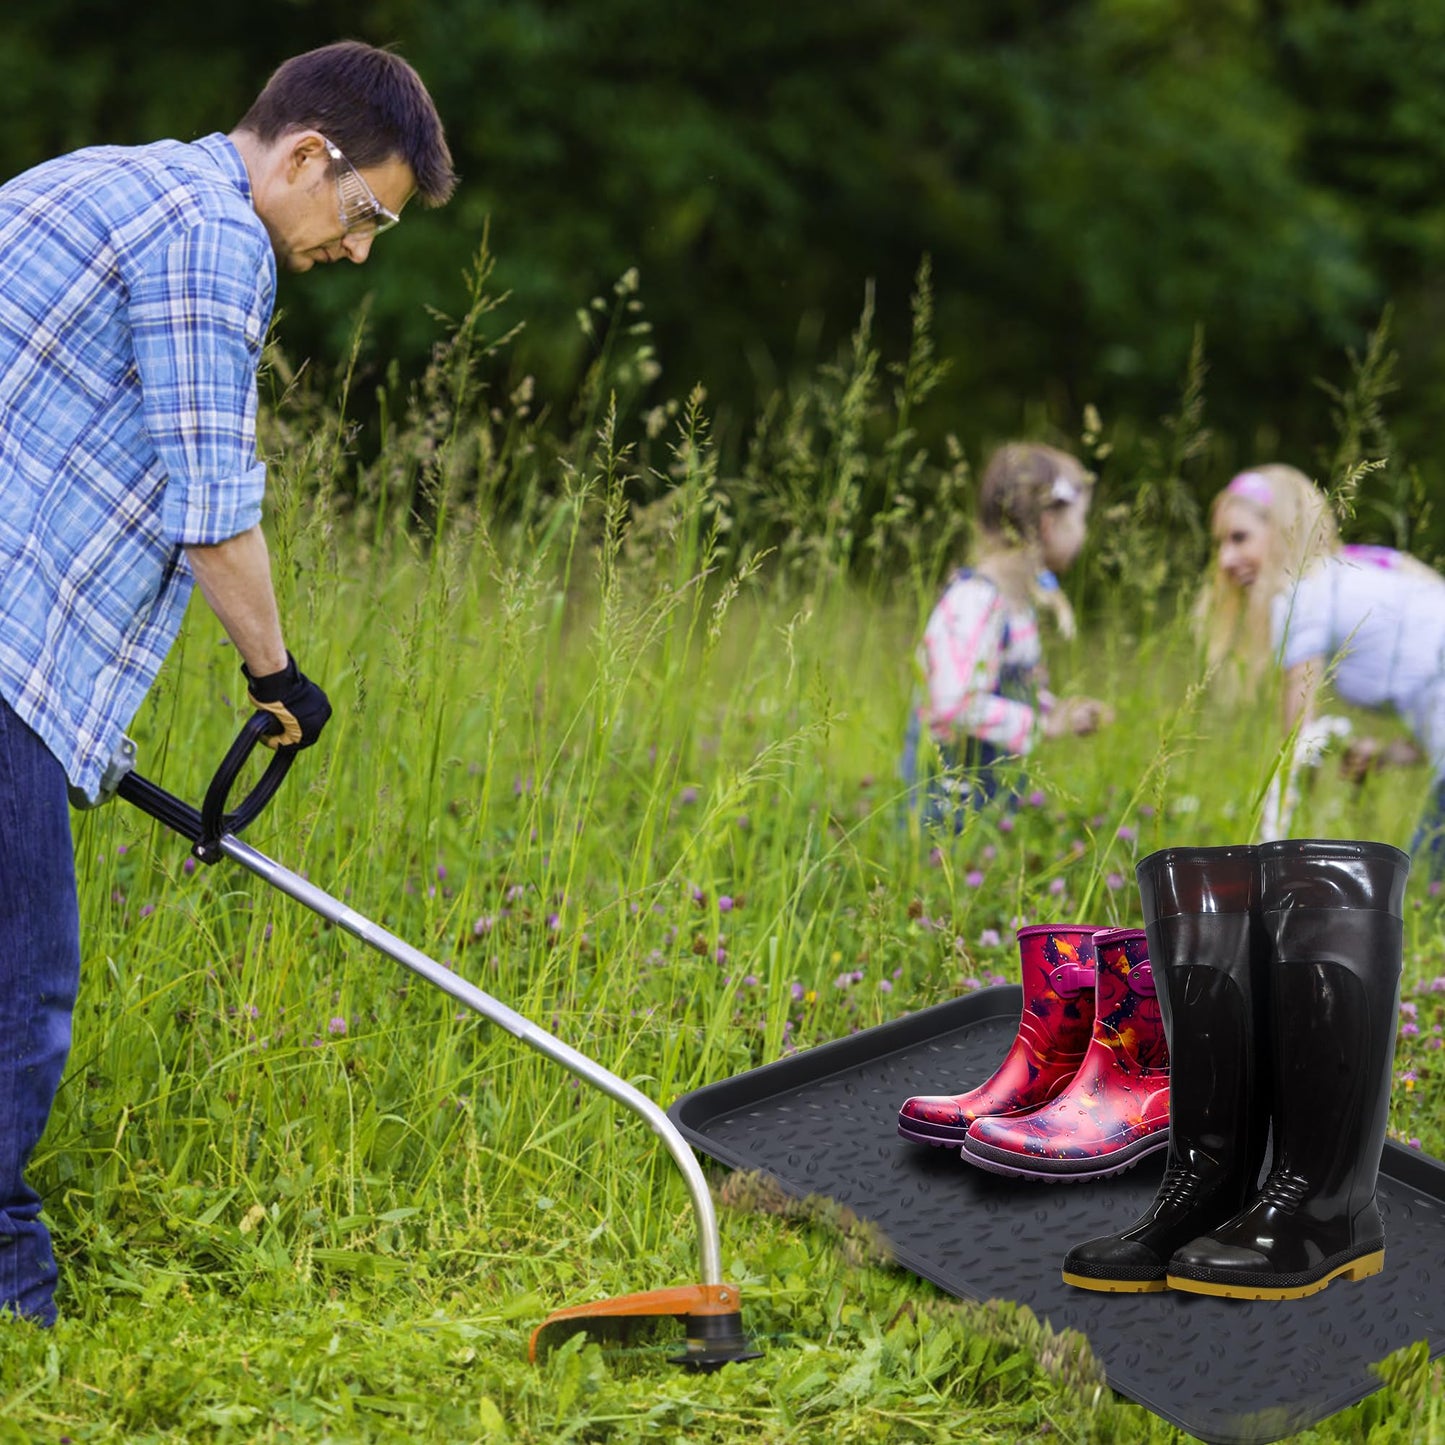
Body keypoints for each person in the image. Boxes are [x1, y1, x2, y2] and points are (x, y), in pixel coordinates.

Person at [0, 41, 456, 1325]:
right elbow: (212, 503)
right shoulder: (213, 235)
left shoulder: (107, 178)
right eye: (365, 213)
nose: (360, 249)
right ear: (307, 156)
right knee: (16, 993)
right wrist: (280, 677)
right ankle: (9, 1301)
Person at [1200, 463, 1445, 866]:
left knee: (1422, 890)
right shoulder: (1346, 574)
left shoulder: (1299, 593)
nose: (1226, 559)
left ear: (1281, 529)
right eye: (1220, 544)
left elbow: (1298, 744)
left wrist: (1275, 838)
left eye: (1240, 538)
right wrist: (1388, 753)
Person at [901, 441, 1114, 832]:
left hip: (990, 800)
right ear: (1049, 525)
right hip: (948, 805)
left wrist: (1054, 711)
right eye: (1081, 520)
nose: (1084, 534)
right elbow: (954, 702)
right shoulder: (975, 602)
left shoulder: (1016, 604)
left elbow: (1002, 689)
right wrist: (1040, 725)